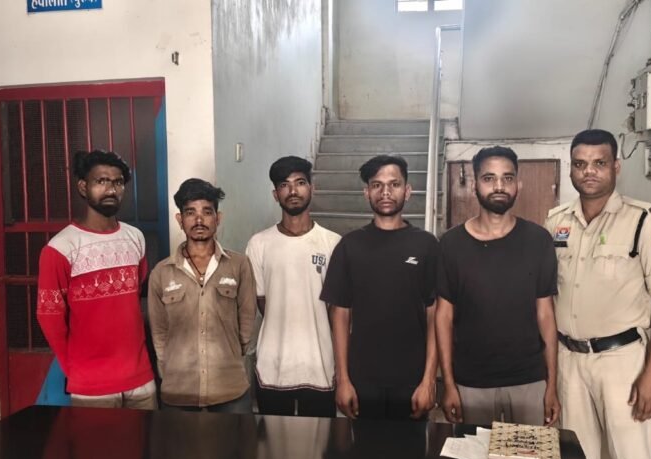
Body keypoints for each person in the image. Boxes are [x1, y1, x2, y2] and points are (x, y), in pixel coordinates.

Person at [545, 129, 651, 459]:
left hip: (622, 362)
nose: (589, 171)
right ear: (571, 168)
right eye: (580, 164)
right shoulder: (556, 221)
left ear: (616, 167)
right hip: (569, 360)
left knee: (630, 458)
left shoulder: (645, 220)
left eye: (599, 163)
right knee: (576, 457)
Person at [436, 146, 560, 427]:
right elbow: (444, 317)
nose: (499, 186)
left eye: (507, 178)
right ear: (475, 185)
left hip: (529, 380)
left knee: (529, 451)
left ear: (519, 184)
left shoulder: (538, 240)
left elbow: (546, 315)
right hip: (471, 382)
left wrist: (551, 384)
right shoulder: (451, 244)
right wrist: (449, 384)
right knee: (474, 451)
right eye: (489, 178)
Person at [320, 154, 439, 421]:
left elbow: (435, 314)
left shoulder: (427, 245)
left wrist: (429, 380)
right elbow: (340, 314)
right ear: (367, 192)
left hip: (412, 381)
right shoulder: (349, 246)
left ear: (407, 191)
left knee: (412, 445)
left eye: (394, 184)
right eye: (377, 185)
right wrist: (343, 380)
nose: (385, 192)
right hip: (362, 381)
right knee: (364, 446)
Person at [36, 149, 156, 409]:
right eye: (101, 181)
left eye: (118, 182)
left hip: (140, 379)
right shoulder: (60, 248)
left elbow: (135, 296)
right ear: (83, 187)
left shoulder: (135, 238)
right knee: (96, 439)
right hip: (91, 386)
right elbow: (49, 317)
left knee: (147, 437)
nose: (111, 189)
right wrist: (76, 370)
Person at [148, 178, 257, 412]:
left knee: (238, 438)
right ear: (180, 220)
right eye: (190, 213)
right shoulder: (161, 272)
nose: (199, 220)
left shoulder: (239, 265)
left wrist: (230, 352)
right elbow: (159, 333)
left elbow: (247, 320)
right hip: (179, 390)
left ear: (218, 218)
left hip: (229, 387)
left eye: (207, 212)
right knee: (177, 439)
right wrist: (170, 368)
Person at [246, 156, 341, 417]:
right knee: (273, 440)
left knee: (321, 440)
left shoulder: (333, 243)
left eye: (300, 182)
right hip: (273, 365)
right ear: (275, 194)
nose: (293, 191)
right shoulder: (259, 244)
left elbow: (336, 310)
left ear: (312, 188)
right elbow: (262, 302)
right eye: (284, 185)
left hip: (320, 365)